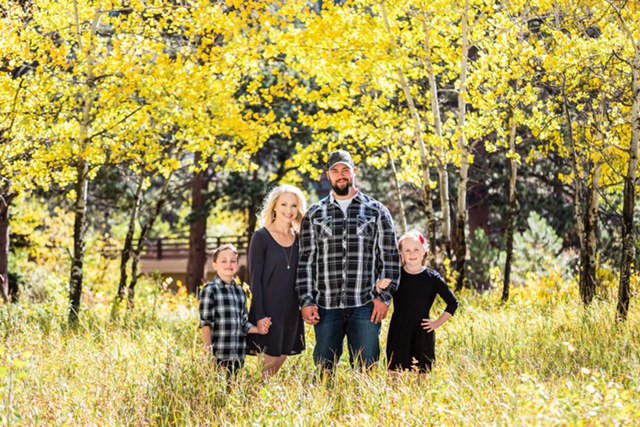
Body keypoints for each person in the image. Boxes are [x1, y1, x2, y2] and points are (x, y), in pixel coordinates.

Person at [296, 150, 401, 370]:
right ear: (328, 175)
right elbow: (306, 261)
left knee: (366, 368)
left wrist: (384, 297)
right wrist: (306, 301)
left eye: (345, 169)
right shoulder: (315, 214)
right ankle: (323, 404)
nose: (340, 174)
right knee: (324, 369)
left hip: (365, 304)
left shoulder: (376, 211)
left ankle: (364, 405)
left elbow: (390, 257)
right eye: (335, 170)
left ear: (354, 172)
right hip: (326, 305)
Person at [247, 184, 307, 379]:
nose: (288, 211)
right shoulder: (261, 237)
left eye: (293, 206)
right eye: (283, 204)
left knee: (281, 358)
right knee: (269, 362)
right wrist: (260, 315)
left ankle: (258, 397)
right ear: (274, 206)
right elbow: (255, 280)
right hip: (268, 310)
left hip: (292, 309)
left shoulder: (300, 239)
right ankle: (250, 396)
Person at [381, 230, 459, 373]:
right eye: (407, 250)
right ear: (401, 254)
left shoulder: (432, 278)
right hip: (399, 332)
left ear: (424, 251)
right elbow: (381, 296)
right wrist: (379, 285)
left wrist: (436, 323)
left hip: (422, 333)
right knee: (394, 374)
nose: (412, 254)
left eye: (416, 249)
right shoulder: (396, 276)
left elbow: (453, 303)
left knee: (422, 374)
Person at [199, 244, 270, 376]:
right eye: (223, 261)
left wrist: (258, 329)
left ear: (237, 265)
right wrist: (208, 350)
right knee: (217, 390)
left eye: (233, 261)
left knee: (232, 389)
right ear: (215, 265)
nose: (229, 264)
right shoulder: (210, 290)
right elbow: (205, 323)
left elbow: (243, 323)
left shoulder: (240, 292)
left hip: (237, 354)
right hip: (218, 354)